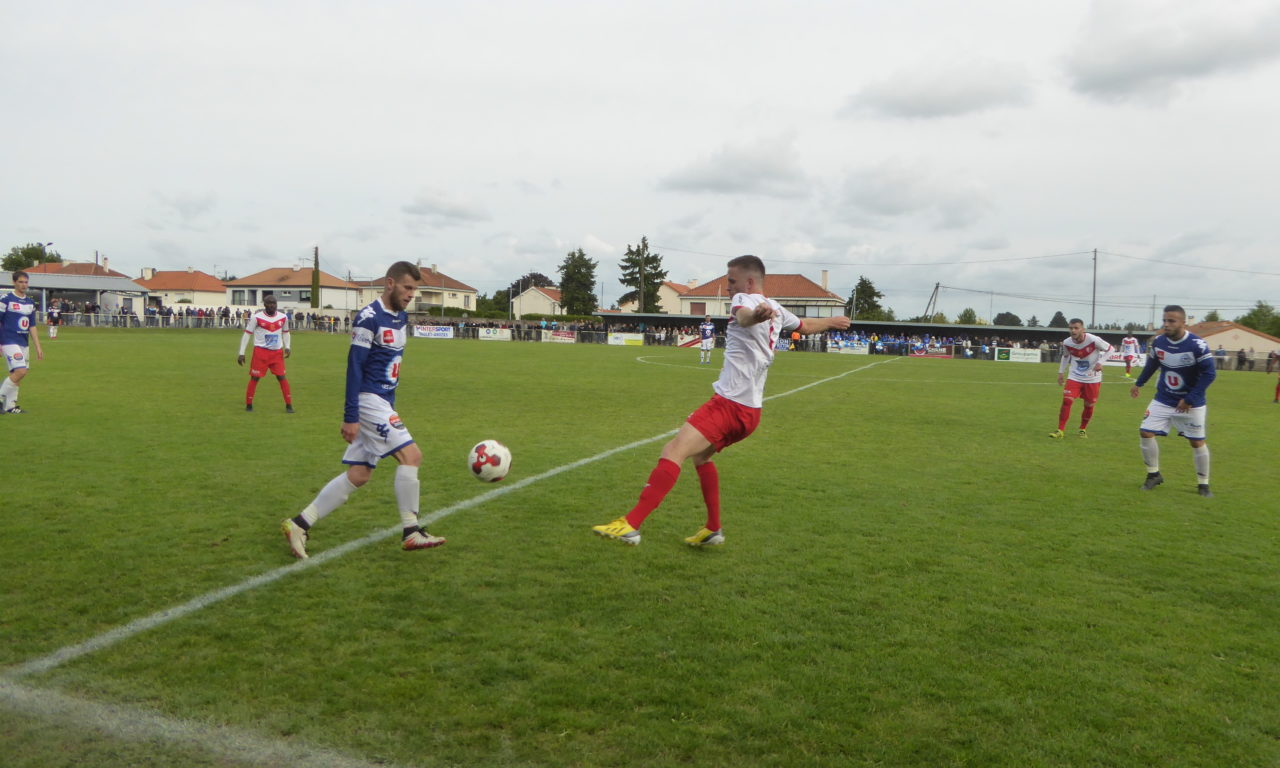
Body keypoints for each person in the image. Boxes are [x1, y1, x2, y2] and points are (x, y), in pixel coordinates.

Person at [591, 255, 852, 547]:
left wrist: (756, 316)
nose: (728, 287)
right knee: (700, 457)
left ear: (749, 282)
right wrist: (831, 321)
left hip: (729, 405)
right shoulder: (776, 308)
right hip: (751, 413)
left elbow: (743, 315)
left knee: (674, 449)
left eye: (731, 281)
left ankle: (630, 524)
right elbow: (802, 326)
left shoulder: (746, 299)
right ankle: (713, 528)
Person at [280, 261, 444, 558]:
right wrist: (350, 415)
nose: (411, 295)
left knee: (359, 474)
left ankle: (299, 524)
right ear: (390, 284)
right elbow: (354, 366)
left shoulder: (401, 316)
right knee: (412, 455)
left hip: (383, 401)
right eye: (408, 288)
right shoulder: (368, 318)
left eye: (415, 290)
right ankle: (411, 531)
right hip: (369, 401)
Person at [1129, 305, 1217, 497]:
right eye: (1165, 320)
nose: (1166, 324)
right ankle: (1154, 474)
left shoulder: (1197, 345)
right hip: (1164, 398)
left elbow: (1210, 374)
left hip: (1191, 403)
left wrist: (1190, 399)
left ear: (1183, 323)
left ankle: (1203, 484)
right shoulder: (1159, 342)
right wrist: (1139, 383)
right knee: (1145, 431)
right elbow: (1152, 364)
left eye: (1171, 321)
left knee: (1196, 442)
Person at [1050, 319, 1111, 439]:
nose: (1073, 330)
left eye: (1076, 328)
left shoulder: (1093, 340)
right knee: (1067, 400)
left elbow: (1110, 349)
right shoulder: (1067, 342)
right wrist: (1061, 372)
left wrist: (1100, 362)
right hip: (1075, 376)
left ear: (1083, 329)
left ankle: (1082, 429)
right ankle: (1060, 430)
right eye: (1071, 328)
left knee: (1089, 405)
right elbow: (1066, 356)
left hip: (1092, 378)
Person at [237, 294, 294, 413]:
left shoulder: (283, 317)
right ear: (265, 304)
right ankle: (249, 405)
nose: (273, 305)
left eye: (274, 303)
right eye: (270, 303)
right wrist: (241, 352)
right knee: (255, 378)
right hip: (260, 353)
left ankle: (289, 406)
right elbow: (247, 333)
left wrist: (287, 347)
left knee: (282, 377)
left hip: (277, 353)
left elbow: (286, 332)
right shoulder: (256, 318)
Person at [0, 271, 45, 414]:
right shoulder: (6, 299)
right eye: (20, 282)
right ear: (14, 282)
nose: (23, 285)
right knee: (20, 370)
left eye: (26, 282)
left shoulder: (30, 302)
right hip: (8, 340)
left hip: (23, 342)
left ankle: (10, 406)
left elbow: (32, 325)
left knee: (17, 374)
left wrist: (38, 346)